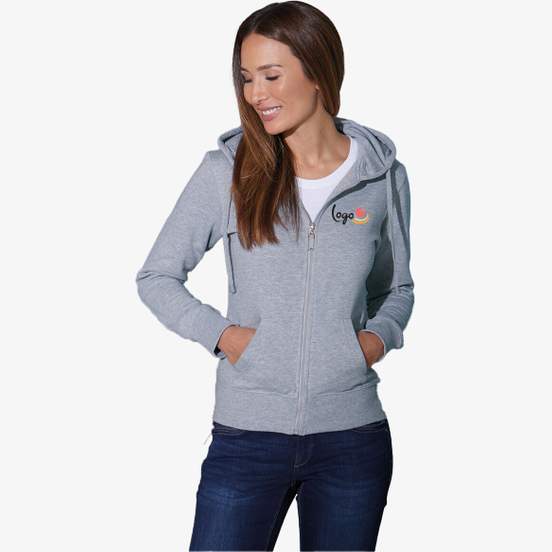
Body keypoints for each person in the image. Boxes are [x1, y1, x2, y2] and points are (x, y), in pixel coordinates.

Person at [135, 2, 415, 550]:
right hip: (247, 438)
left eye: (271, 75)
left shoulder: (382, 177)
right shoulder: (228, 172)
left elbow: (396, 288)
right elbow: (157, 276)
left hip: (352, 440)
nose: (255, 94)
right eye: (246, 78)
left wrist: (373, 342)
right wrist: (226, 337)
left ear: (319, 72)